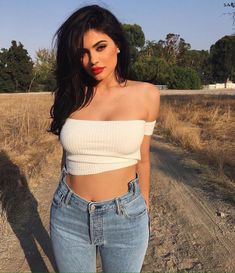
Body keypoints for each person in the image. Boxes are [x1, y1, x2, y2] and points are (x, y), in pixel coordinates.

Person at [48, 4, 160, 273]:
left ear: (118, 44)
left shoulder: (146, 94)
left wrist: (143, 205)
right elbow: (69, 158)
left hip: (125, 214)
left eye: (100, 47)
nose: (93, 60)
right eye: (83, 53)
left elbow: (143, 158)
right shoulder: (73, 95)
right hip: (68, 213)